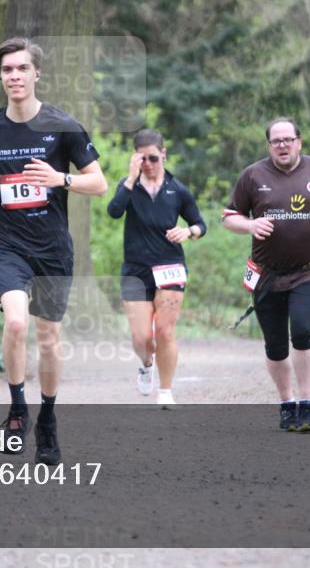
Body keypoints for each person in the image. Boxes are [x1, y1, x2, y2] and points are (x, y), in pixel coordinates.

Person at [0, 37, 108, 465]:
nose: (14, 77)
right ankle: (16, 408)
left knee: (48, 337)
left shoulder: (63, 125)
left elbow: (99, 183)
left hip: (52, 248)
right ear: (1, 76)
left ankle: (47, 418)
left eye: (22, 69)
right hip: (7, 242)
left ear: (36, 73)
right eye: (7, 70)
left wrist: (59, 179)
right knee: (17, 324)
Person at [221, 118, 310, 431]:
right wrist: (250, 225)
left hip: (309, 270)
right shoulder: (253, 175)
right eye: (275, 141)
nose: (282, 145)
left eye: (287, 139)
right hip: (266, 275)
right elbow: (229, 217)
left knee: (302, 330)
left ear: (299, 141)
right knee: (276, 345)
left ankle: (307, 405)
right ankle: (287, 402)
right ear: (269, 145)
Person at [107, 129, 205, 408]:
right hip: (135, 270)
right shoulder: (128, 186)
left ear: (164, 154)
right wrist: (130, 178)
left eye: (153, 158)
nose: (148, 164)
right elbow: (114, 211)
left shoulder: (178, 189)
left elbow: (201, 224)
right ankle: (146, 363)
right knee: (141, 338)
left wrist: (188, 232)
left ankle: (166, 390)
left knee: (165, 331)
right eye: (142, 159)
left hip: (170, 267)